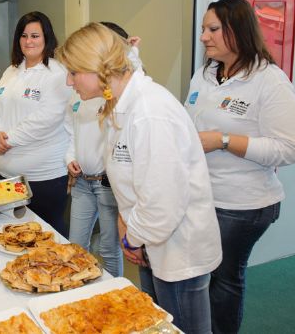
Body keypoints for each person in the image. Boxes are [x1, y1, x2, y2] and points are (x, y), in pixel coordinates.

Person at [57, 22, 222, 333]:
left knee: (182, 327)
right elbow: (133, 181)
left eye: (74, 72)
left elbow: (164, 203)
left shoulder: (149, 112)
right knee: (154, 323)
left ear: (97, 69)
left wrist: (131, 237)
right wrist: (128, 226)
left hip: (177, 249)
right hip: (150, 239)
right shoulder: (122, 104)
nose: (69, 81)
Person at [185, 0, 295, 333]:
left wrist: (223, 140)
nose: (203, 37)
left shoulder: (270, 80)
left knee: (223, 280)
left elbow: (290, 148)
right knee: (203, 276)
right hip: (205, 195)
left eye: (212, 29)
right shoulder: (206, 74)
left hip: (243, 204)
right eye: (203, 29)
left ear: (237, 31)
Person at [0, 11, 71, 237]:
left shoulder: (56, 73)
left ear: (46, 38)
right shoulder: (12, 70)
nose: (28, 41)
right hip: (8, 174)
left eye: (35, 36)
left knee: (47, 237)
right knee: (16, 237)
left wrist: (8, 140)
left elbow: (47, 118)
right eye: (24, 36)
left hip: (44, 178)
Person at [64, 22, 141, 277]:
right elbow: (70, 131)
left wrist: (133, 54)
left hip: (106, 183)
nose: (69, 81)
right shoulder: (80, 93)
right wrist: (70, 157)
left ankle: (111, 293)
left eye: (74, 72)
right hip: (82, 182)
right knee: (75, 246)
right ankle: (78, 293)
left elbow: (133, 78)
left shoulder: (118, 97)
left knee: (109, 249)